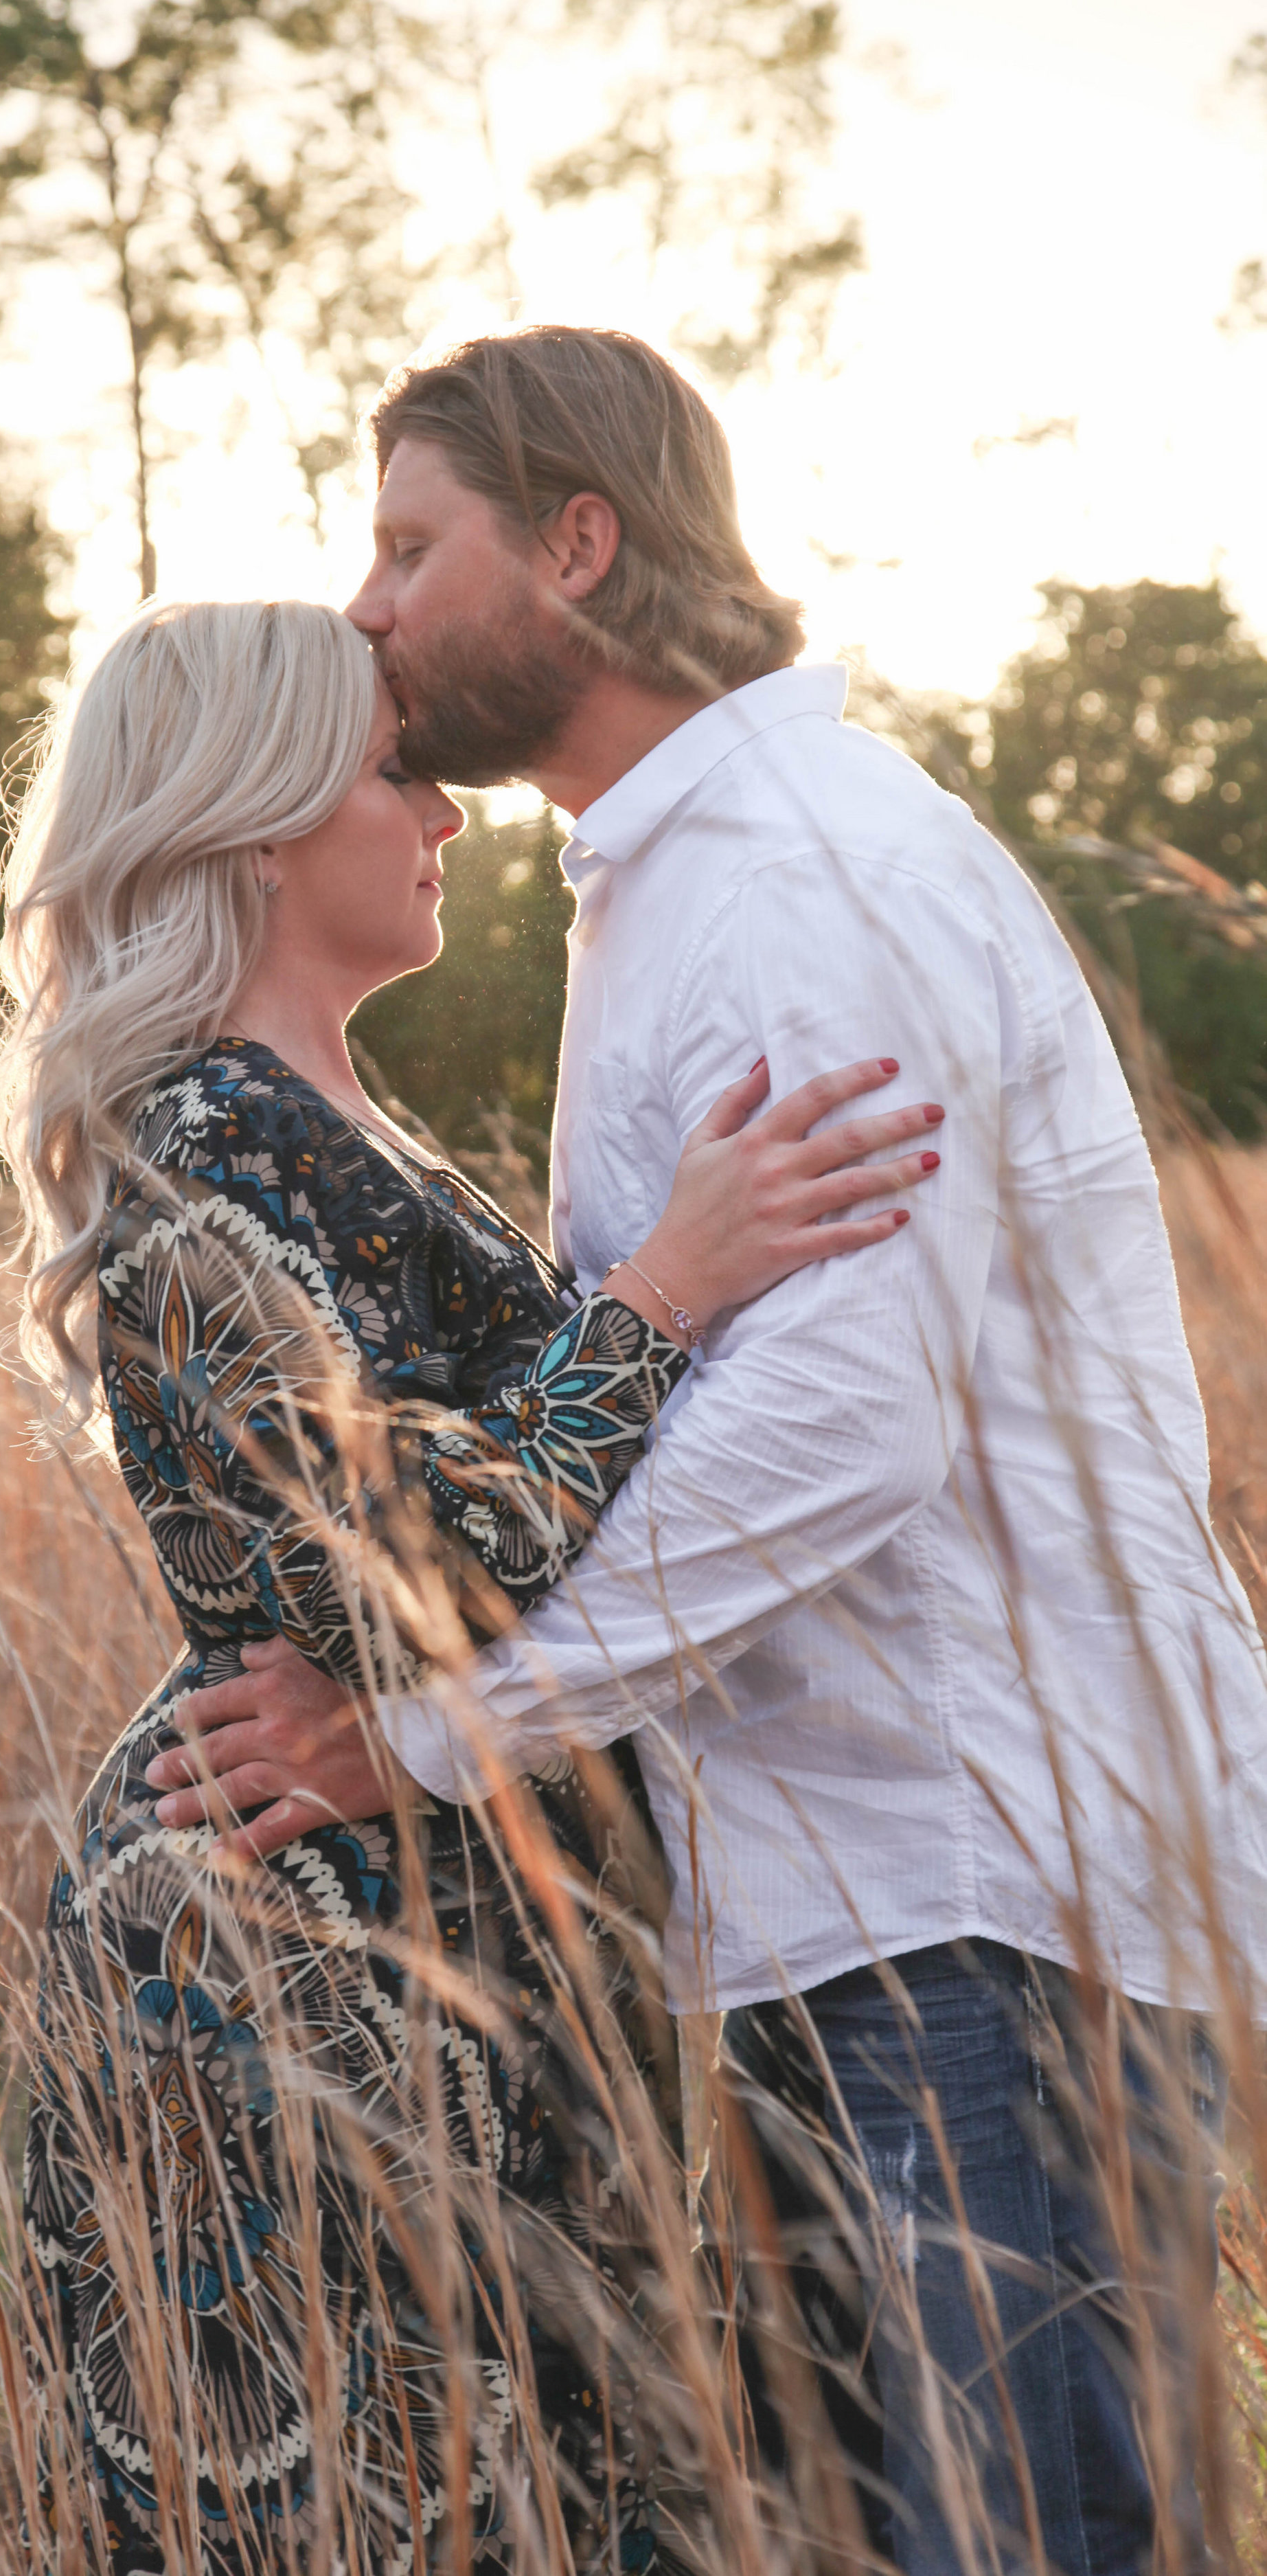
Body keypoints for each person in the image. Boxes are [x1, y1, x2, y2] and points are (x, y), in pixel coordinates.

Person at [150, 328, 1267, 2573]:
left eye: (405, 545)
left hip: (974, 1882)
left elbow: (842, 1431)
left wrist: (439, 1739)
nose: (365, 607)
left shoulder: (797, 872)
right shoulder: (671, 879)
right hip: (862, 1889)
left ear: (578, 543)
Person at [0, 594, 939, 2571]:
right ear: (254, 820)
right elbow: (392, 1564)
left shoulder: (328, 1126)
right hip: (286, 1982)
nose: (453, 812)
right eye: (396, 768)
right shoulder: (196, 1143)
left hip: (441, 1947)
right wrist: (665, 1292)